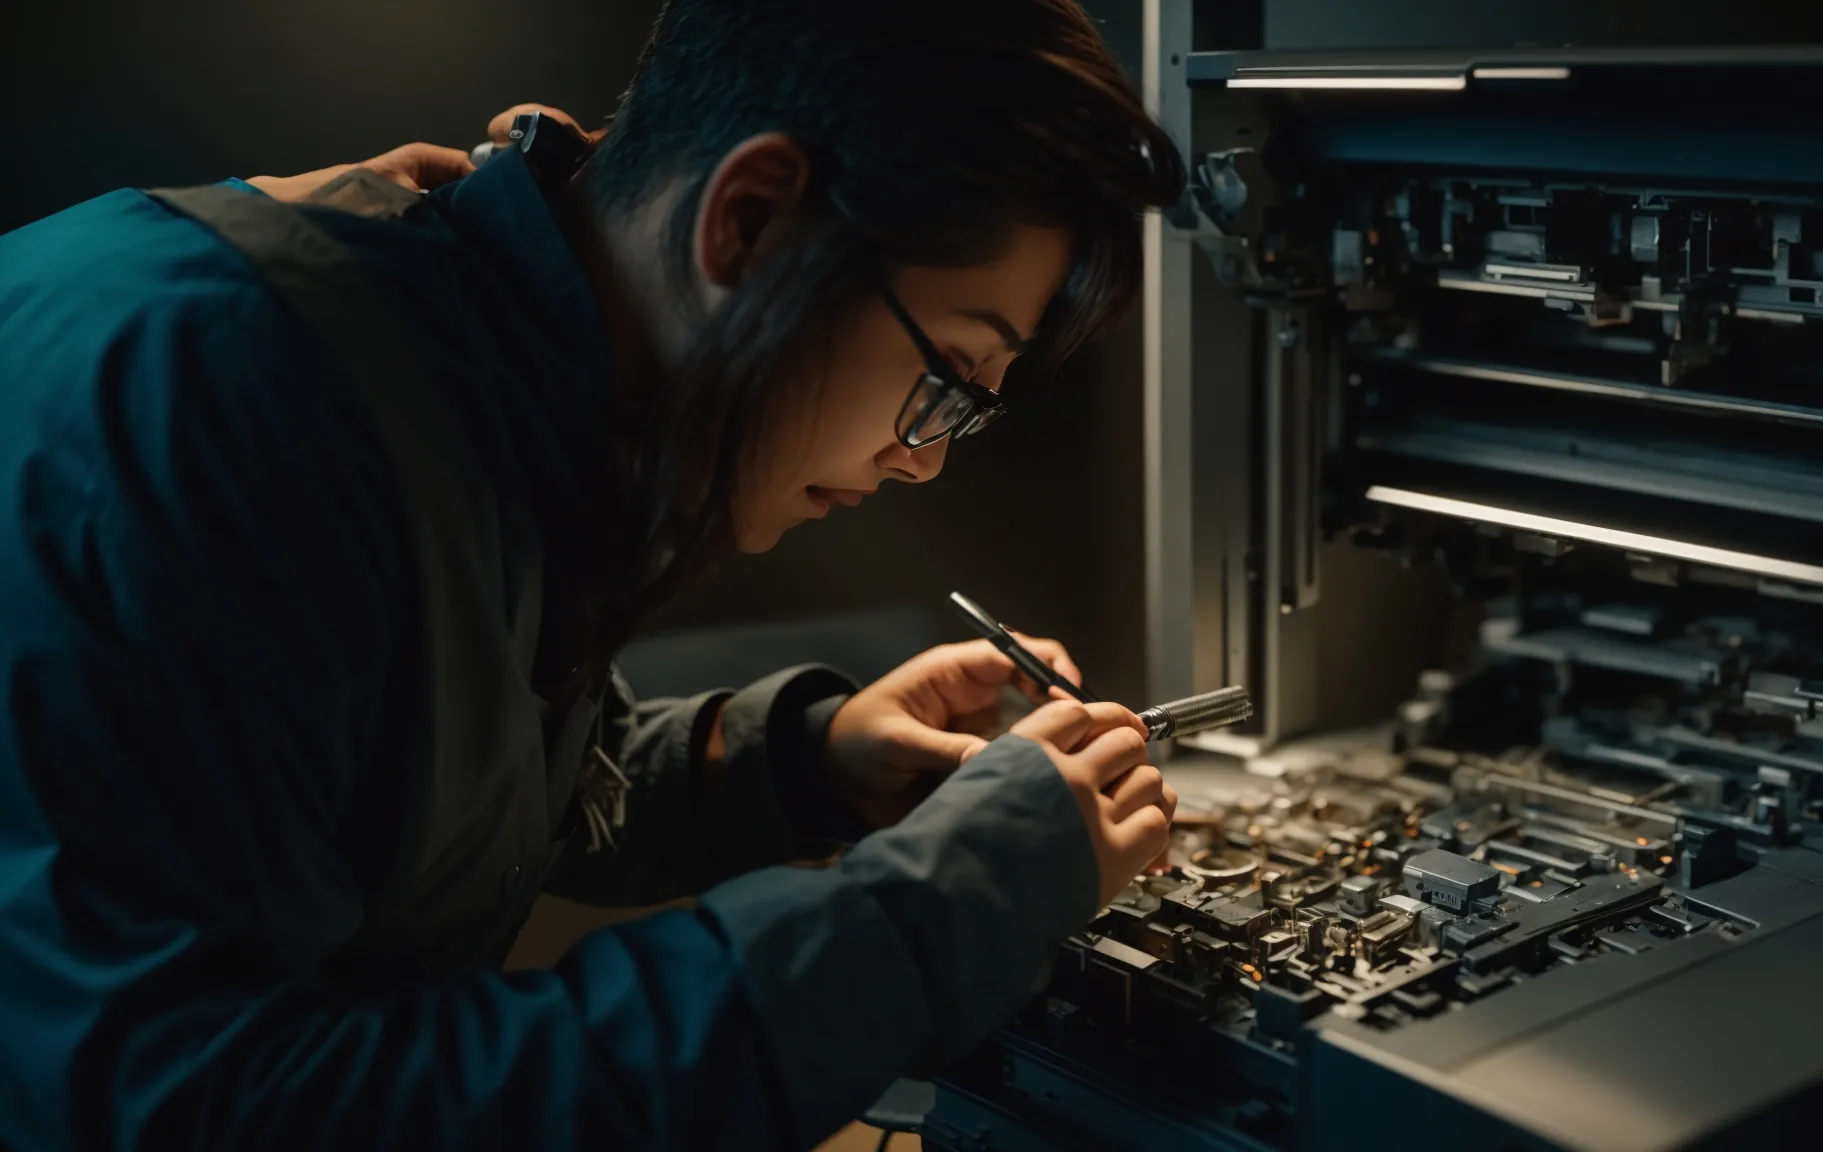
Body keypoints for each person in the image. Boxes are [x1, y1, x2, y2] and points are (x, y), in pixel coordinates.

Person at [0, 1, 1185, 1148]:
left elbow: (436, 803)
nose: (920, 458)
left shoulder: (467, 358)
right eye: (949, 373)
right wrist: (941, 909)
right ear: (753, 220)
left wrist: (803, 762)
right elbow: (211, 1108)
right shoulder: (231, 402)